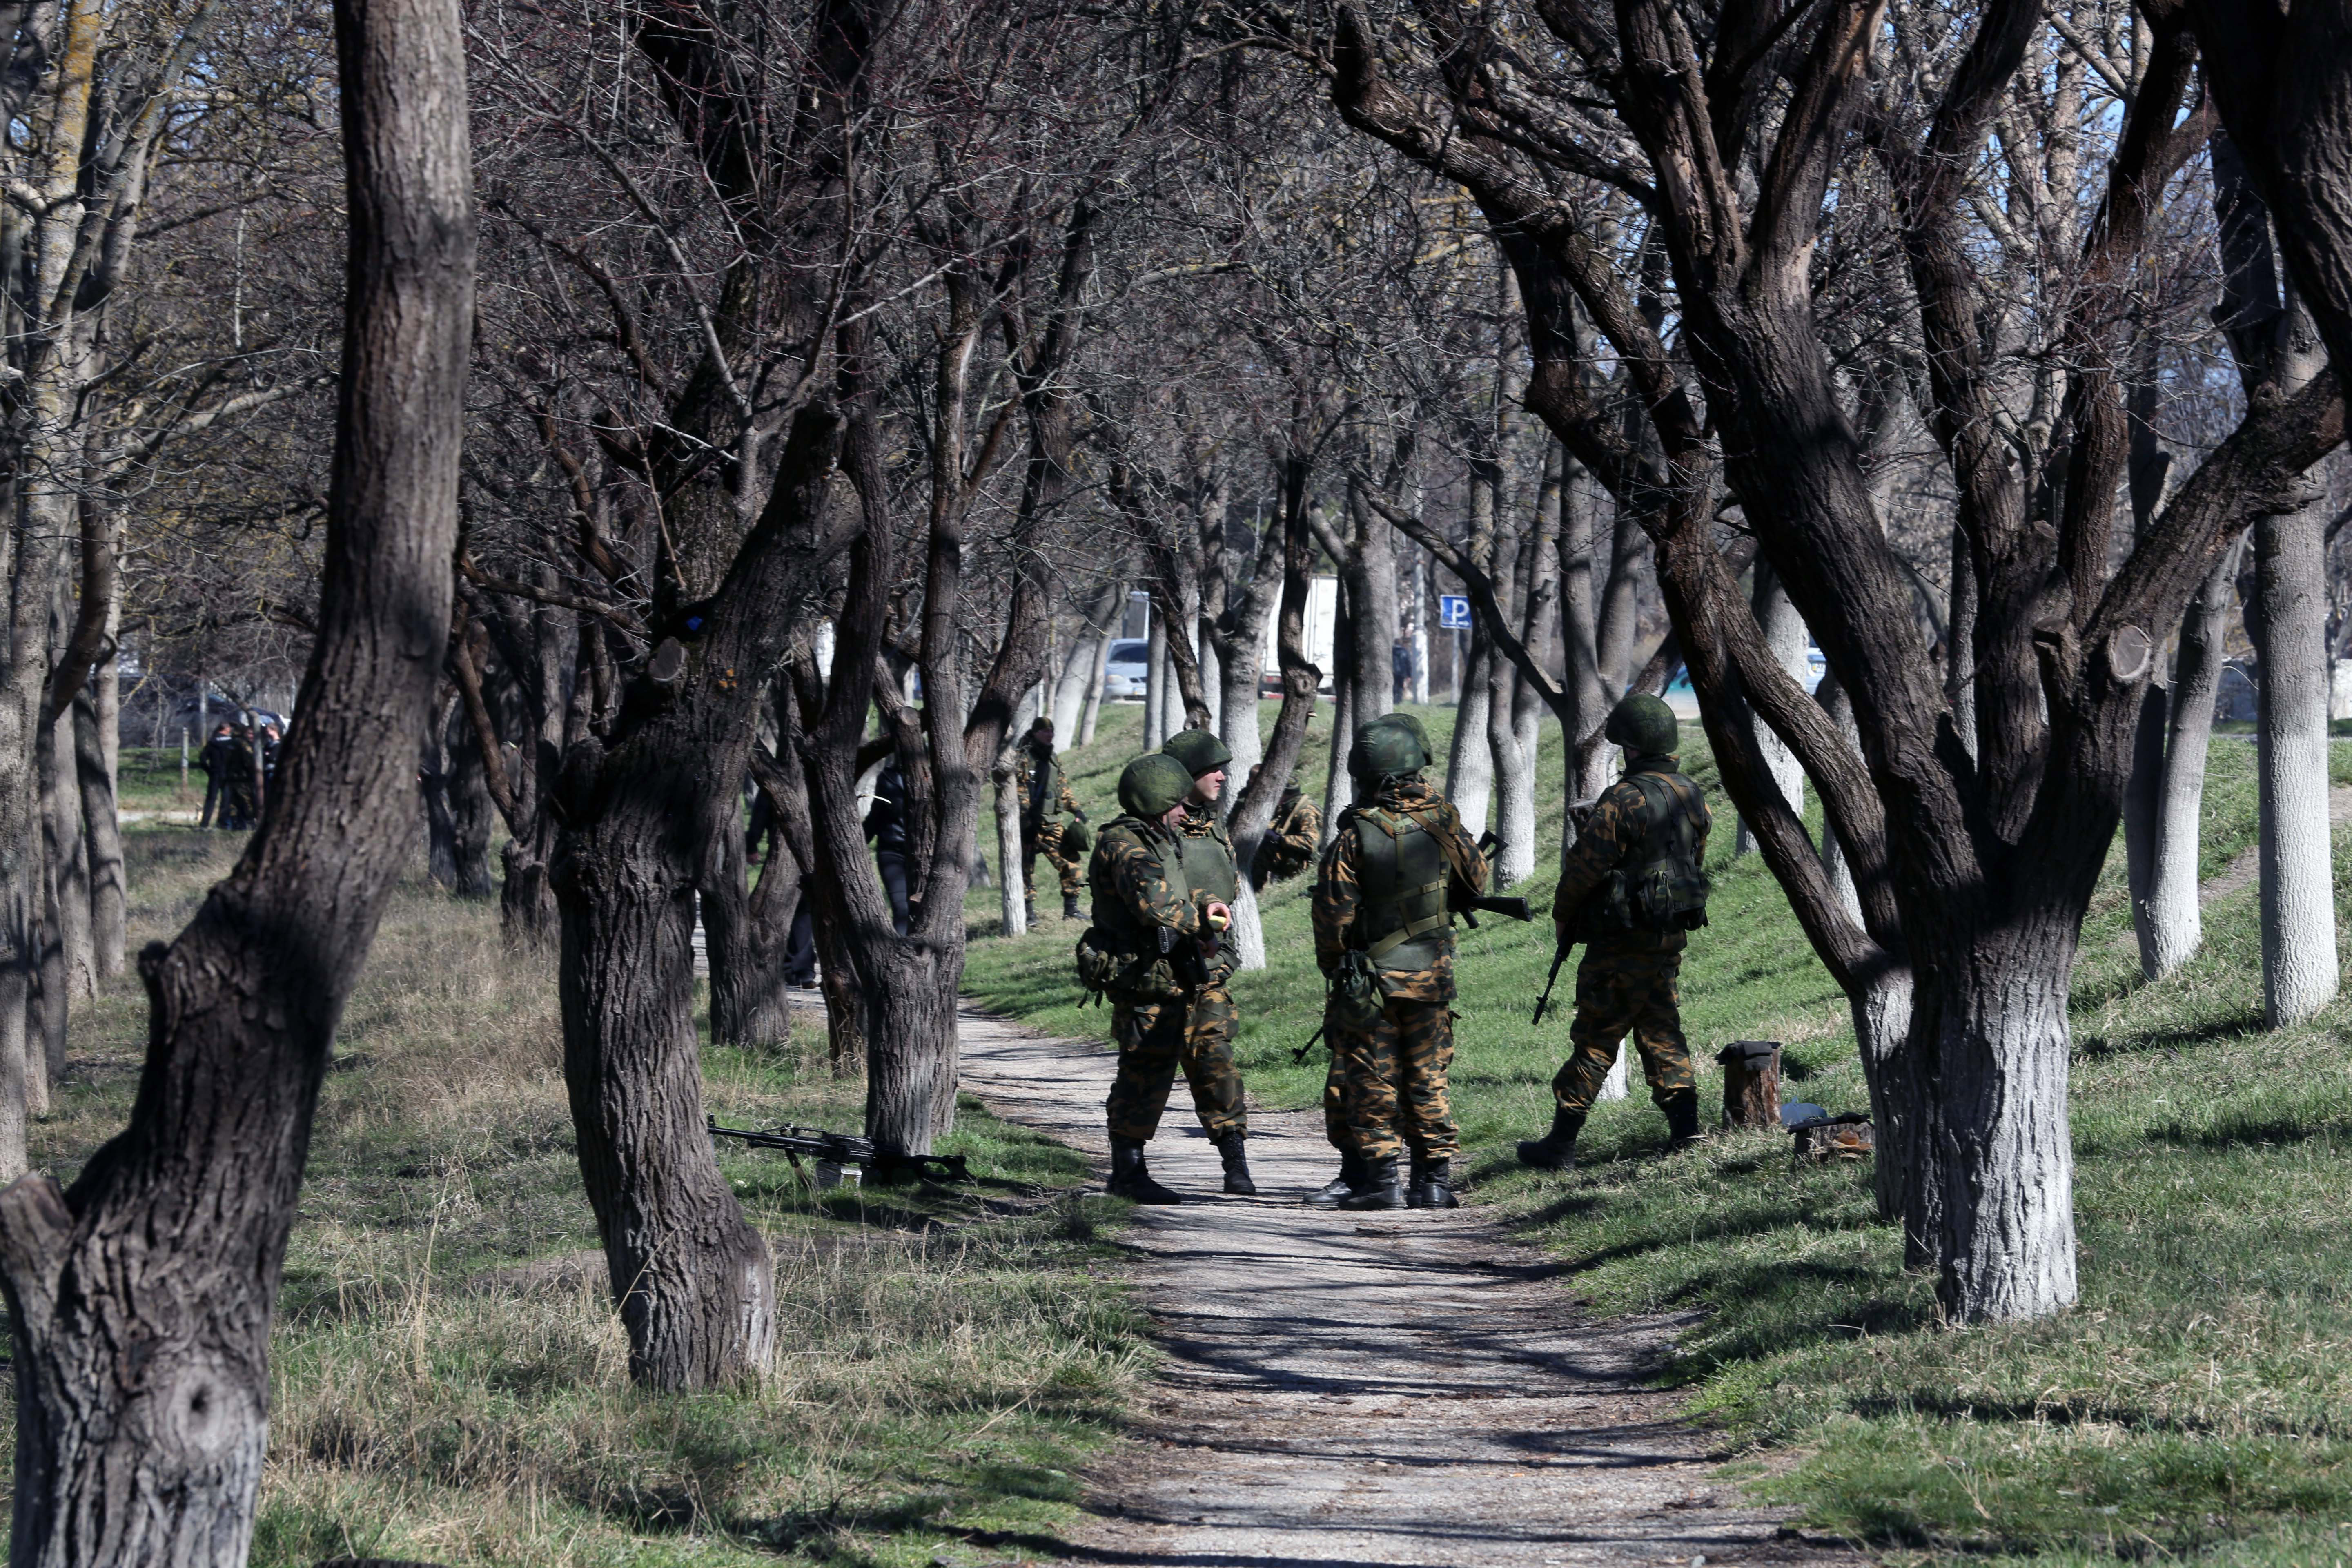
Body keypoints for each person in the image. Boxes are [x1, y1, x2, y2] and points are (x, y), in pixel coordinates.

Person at [1517, 693, 1712, 1171]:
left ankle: (1561, 1144)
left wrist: (1563, 916)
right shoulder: (1691, 794)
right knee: (1662, 1030)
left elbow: (1584, 870)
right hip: (1667, 939)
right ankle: (1686, 1132)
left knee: (1597, 1036)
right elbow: (1694, 860)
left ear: (1632, 747)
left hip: (1621, 942)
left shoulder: (1623, 799)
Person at [1310, 713, 1487, 1210]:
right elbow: (1477, 882)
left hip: (1374, 984)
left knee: (1374, 1079)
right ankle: (1434, 1183)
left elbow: (1333, 917)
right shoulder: (1445, 822)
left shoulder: (1354, 836)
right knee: (1429, 1078)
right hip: (1433, 980)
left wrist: (1339, 969)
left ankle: (1383, 1182)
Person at [1078, 752, 1236, 1204]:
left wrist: (1207, 906)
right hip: (1142, 979)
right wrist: (1202, 925)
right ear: (1156, 802)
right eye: (1177, 803)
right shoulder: (1124, 845)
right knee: (1142, 1074)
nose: (1185, 811)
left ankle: (1133, 1172)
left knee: (1160, 1070)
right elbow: (1155, 904)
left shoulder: (1158, 838)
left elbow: (1177, 890)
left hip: (1167, 975)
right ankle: (1127, 1174)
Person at [1160, 726, 1253, 1195]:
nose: (1221, 777)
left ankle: (1236, 1162)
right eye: (1212, 770)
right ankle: (1129, 1168)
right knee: (1146, 1074)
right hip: (1159, 972)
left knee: (1216, 1062)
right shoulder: (1153, 828)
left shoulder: (1213, 826)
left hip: (1208, 969)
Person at [1015, 717, 1087, 923]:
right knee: (1024, 871)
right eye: (1045, 731)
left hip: (1051, 824)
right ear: (1036, 733)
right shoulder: (1023, 758)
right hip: (1027, 827)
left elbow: (1062, 788)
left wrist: (1076, 810)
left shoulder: (1053, 758)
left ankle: (1071, 910)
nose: (1050, 735)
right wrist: (1026, 823)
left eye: (1052, 731)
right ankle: (1028, 914)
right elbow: (1019, 792)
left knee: (1071, 862)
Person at [1247, 764, 1323, 888]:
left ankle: (1253, 889)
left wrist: (1280, 839)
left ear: (1284, 795)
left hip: (1305, 863)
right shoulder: (1288, 808)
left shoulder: (1306, 811)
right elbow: (1275, 824)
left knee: (1261, 851)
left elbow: (1310, 843)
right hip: (1293, 858)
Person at [864, 760, 912, 936]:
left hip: (925, 854)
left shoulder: (936, 775)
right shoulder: (888, 778)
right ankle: (902, 951)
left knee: (924, 909)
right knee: (902, 910)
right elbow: (875, 816)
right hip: (892, 850)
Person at [198, 720, 234, 829]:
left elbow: (203, 759)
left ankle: (205, 823)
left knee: (211, 799)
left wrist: (209, 771)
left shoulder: (212, 743)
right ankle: (222, 823)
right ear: (227, 730)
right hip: (227, 774)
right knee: (226, 799)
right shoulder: (232, 743)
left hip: (215, 774)